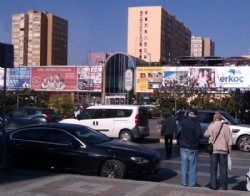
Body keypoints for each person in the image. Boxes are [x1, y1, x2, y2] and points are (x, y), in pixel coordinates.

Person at [204, 112, 232, 190]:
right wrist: (229, 148)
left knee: (213, 168)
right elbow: (229, 138)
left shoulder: (212, 126)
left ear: (214, 118)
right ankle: (224, 186)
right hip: (224, 150)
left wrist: (210, 126)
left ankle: (213, 185)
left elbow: (205, 134)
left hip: (214, 150)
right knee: (223, 168)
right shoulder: (226, 127)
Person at [179, 108, 202, 187]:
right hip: (193, 146)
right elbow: (199, 135)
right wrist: (195, 139)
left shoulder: (183, 121)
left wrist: (184, 116)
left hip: (183, 146)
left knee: (184, 165)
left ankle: (184, 182)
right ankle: (192, 183)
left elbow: (180, 122)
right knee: (193, 166)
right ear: (195, 115)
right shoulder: (196, 123)